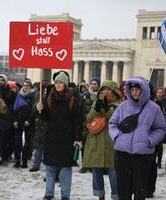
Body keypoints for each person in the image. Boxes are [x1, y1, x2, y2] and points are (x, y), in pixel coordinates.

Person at [109, 76, 166, 200]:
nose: (134, 92)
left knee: (140, 190)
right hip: (122, 154)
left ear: (144, 90)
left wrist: (150, 141)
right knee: (123, 189)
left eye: (137, 89)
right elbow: (112, 124)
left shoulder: (153, 108)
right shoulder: (123, 106)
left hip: (142, 156)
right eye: (132, 89)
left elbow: (161, 128)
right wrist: (117, 137)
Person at [37, 70, 82, 200]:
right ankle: (49, 193)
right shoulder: (49, 98)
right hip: (52, 138)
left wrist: (78, 138)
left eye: (60, 83)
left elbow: (77, 121)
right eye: (56, 82)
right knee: (50, 168)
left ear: (65, 84)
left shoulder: (73, 100)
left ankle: (65, 195)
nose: (57, 85)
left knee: (66, 169)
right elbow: (46, 117)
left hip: (67, 139)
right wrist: (40, 109)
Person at [83, 80, 121, 200]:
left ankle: (116, 196)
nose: (105, 92)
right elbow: (88, 119)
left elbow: (116, 120)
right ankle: (100, 195)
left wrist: (106, 110)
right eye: (103, 89)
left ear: (114, 93)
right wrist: (98, 108)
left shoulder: (120, 106)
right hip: (96, 142)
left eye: (108, 89)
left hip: (112, 143)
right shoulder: (96, 103)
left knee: (113, 171)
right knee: (97, 170)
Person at [13, 78, 36, 168]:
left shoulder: (34, 95)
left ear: (30, 86)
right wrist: (14, 120)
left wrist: (29, 120)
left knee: (27, 142)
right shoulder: (19, 95)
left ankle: (25, 161)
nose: (25, 87)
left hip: (29, 122)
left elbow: (34, 110)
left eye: (27, 85)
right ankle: (17, 160)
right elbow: (15, 108)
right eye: (24, 85)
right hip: (19, 121)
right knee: (17, 142)